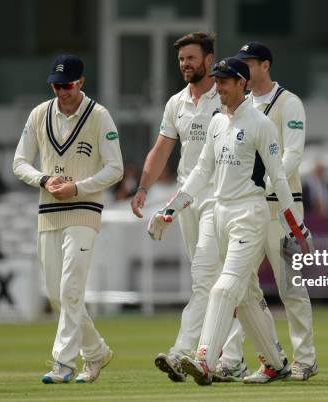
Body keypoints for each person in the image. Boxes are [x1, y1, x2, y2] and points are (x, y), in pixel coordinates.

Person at [148, 57, 313, 386]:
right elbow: (201, 171)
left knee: (225, 288)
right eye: (217, 81)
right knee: (242, 292)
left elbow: (279, 179)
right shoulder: (216, 122)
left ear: (243, 84)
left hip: (248, 214)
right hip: (216, 211)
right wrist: (172, 208)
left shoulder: (260, 125)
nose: (219, 87)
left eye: (225, 81)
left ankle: (203, 360)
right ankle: (275, 363)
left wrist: (296, 226)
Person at [12, 54, 124, 383]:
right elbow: (19, 162)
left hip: (84, 210)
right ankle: (97, 353)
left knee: (71, 286)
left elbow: (115, 167)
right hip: (48, 212)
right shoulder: (38, 115)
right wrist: (44, 180)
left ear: (82, 82)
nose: (62, 91)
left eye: (68, 85)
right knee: (57, 294)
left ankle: (62, 363)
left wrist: (78, 188)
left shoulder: (100, 116)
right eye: (56, 85)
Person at [217, 41, 319, 381]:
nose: (244, 69)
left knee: (290, 287)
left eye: (250, 63)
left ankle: (305, 360)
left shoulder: (288, 103)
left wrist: (262, 185)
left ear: (265, 66)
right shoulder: (238, 108)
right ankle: (259, 359)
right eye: (241, 64)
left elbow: (293, 156)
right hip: (248, 208)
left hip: (283, 207)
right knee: (242, 287)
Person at [130, 32, 225, 382]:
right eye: (181, 58)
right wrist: (143, 188)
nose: (185, 64)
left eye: (191, 57)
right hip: (187, 201)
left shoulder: (227, 94)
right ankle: (232, 358)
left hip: (222, 199)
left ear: (209, 60)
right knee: (219, 283)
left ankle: (183, 351)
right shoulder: (176, 103)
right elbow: (161, 150)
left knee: (205, 280)